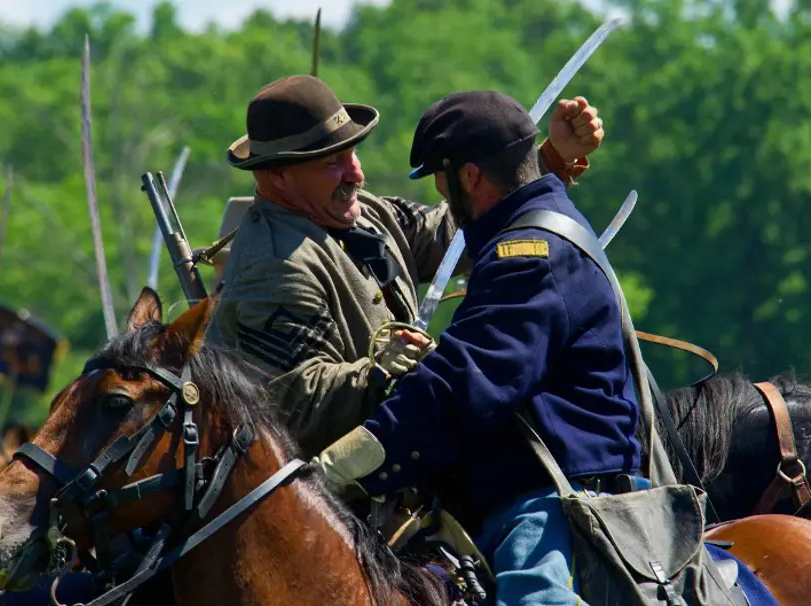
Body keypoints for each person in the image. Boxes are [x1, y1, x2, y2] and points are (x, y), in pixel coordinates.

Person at [315, 90, 641, 606]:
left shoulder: (527, 255)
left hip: (555, 498)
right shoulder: (527, 230)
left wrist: (337, 467)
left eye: (442, 184)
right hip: (508, 491)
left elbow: (462, 385)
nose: (443, 198)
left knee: (533, 599)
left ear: (470, 178)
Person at [210, 75, 605, 457]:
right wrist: (379, 372)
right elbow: (290, 407)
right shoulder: (275, 266)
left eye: (353, 153)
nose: (357, 175)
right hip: (334, 499)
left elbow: (455, 229)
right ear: (276, 175)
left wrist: (549, 159)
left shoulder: (363, 213)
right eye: (333, 162)